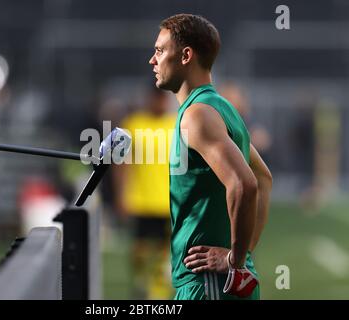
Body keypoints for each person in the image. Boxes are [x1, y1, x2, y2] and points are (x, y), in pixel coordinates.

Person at [149, 14, 272, 300]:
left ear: (186, 55)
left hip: (209, 285)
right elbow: (264, 177)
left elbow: (245, 184)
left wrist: (235, 261)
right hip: (217, 283)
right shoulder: (220, 108)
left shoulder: (198, 115)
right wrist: (243, 256)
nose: (152, 61)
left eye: (159, 50)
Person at [112, 85, 176, 299]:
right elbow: (121, 163)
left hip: (167, 201)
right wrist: (120, 195)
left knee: (163, 250)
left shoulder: (176, 125)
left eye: (163, 98)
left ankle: (158, 293)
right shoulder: (133, 124)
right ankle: (141, 282)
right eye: (156, 98)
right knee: (138, 250)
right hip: (139, 199)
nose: (160, 102)